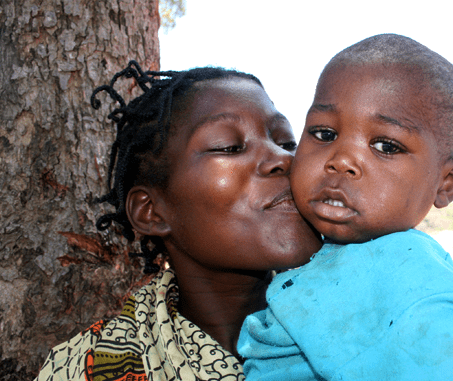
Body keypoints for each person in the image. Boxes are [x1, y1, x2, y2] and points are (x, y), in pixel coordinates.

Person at [35, 62, 322, 381]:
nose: (284, 159)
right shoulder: (82, 368)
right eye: (229, 146)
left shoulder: (370, 320)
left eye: (286, 143)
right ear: (151, 212)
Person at [238, 34, 453, 380]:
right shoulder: (327, 260)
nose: (341, 161)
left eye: (385, 145)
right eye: (323, 134)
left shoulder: (414, 282)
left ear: (447, 182)